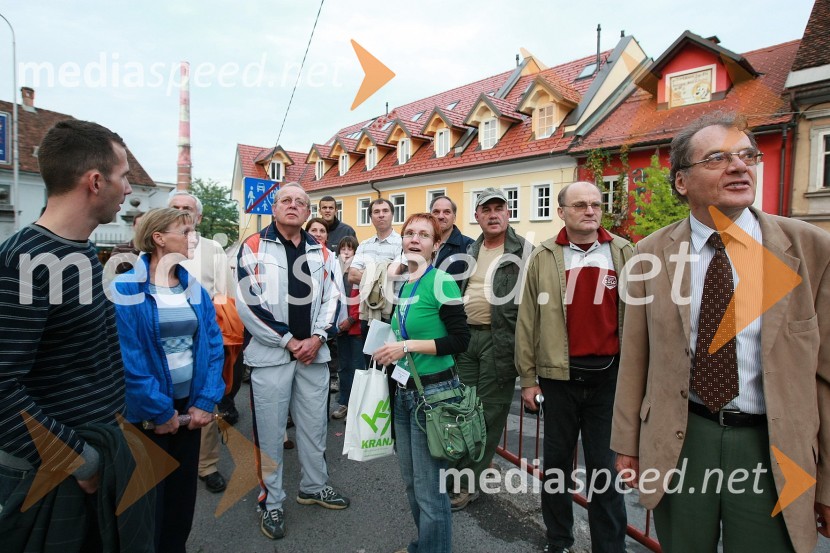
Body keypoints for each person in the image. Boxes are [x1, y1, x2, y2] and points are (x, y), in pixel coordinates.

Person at [611, 112, 830, 553]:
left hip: (774, 446)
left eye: (747, 155)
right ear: (681, 182)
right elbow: (636, 357)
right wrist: (626, 445)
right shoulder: (650, 253)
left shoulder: (810, 248)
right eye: (717, 158)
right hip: (684, 439)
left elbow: (824, 375)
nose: (739, 166)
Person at [0, 120, 137, 549]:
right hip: (50, 474)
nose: (129, 189)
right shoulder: (28, 259)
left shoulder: (78, 252)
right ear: (95, 182)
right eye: (124, 176)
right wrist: (82, 461)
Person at [516, 181, 632, 553]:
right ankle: (559, 538)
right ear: (561, 211)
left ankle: (609, 547)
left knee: (606, 471)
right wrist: (529, 380)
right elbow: (527, 322)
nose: (590, 210)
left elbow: (639, 319)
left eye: (596, 204)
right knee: (556, 467)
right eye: (580, 204)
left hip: (609, 380)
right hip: (558, 379)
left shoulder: (624, 252)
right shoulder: (544, 256)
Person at [236, 182, 348, 541]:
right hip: (272, 356)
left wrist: (317, 338)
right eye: (286, 199)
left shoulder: (324, 253)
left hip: (313, 355)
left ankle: (314, 486)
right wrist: (288, 340)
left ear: (307, 211)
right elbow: (249, 305)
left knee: (314, 428)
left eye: (301, 202)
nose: (294, 205)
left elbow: (334, 300)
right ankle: (271, 502)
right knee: (270, 434)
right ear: (274, 206)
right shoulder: (254, 246)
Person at [112, 207, 224, 553]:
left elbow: (213, 344)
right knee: (146, 509)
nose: (193, 238)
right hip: (147, 419)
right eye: (185, 231)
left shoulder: (193, 289)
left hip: (188, 413)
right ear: (158, 238)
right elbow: (128, 360)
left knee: (180, 506)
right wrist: (160, 412)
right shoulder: (126, 287)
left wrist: (206, 400)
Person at [374, 213, 470, 553]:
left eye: (424, 235)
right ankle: (424, 546)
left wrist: (406, 346)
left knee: (431, 492)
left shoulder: (440, 280)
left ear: (436, 245)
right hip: (404, 394)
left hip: (434, 395)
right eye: (409, 233)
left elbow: (461, 340)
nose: (415, 239)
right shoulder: (406, 282)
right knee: (414, 486)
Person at [448, 187, 531, 510]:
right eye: (487, 209)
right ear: (478, 216)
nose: (494, 214)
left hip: (501, 342)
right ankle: (463, 472)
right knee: (463, 410)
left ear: (507, 213)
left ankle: (468, 483)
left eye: (500, 208)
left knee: (490, 414)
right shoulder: (471, 250)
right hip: (467, 339)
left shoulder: (525, 251)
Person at [168, 190, 238, 494]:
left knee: (205, 401)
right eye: (176, 208)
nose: (183, 212)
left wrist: (209, 308)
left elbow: (226, 294)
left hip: (203, 339)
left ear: (199, 217)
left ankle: (207, 465)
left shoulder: (213, 250)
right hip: (164, 341)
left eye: (188, 209)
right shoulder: (153, 247)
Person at [349, 198, 403, 365]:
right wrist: (381, 271)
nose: (381, 215)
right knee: (371, 362)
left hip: (393, 311)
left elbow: (395, 273)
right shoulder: (364, 245)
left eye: (385, 211)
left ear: (392, 215)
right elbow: (352, 275)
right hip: (368, 313)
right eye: (376, 212)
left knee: (392, 364)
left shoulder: (402, 243)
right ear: (371, 216)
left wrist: (367, 273)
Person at [305, 216, 342, 397]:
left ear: (327, 236)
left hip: (324, 322)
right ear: (306, 233)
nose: (318, 234)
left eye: (322, 231)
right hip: (302, 324)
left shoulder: (332, 259)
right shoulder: (299, 256)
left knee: (319, 377)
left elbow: (336, 292)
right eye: (314, 230)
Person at [331, 236, 362, 420]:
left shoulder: (358, 272)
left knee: (358, 368)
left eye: (350, 249)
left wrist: (351, 319)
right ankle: (344, 403)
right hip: (341, 328)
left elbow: (363, 300)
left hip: (356, 328)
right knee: (343, 368)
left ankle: (357, 406)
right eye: (343, 248)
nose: (346, 252)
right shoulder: (337, 271)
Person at [430, 195, 474, 278]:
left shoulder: (469, 246)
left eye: (447, 212)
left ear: (454, 217)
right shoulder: (421, 243)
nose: (441, 216)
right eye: (436, 212)